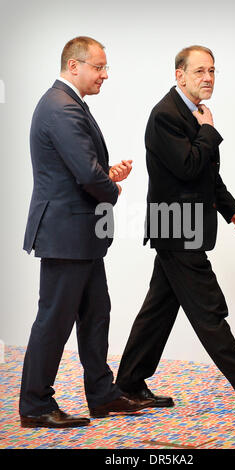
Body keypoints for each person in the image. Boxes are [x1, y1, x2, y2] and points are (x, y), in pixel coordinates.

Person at [116, 45, 235, 414]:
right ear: (179, 75)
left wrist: (231, 209)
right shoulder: (166, 115)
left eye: (212, 70)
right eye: (199, 71)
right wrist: (208, 129)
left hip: (183, 228)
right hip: (177, 229)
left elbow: (207, 174)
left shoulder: (195, 113)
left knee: (158, 311)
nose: (208, 77)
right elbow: (187, 166)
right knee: (208, 310)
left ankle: (129, 384)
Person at [19, 36, 150, 428]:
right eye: (98, 67)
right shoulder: (61, 107)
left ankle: (102, 395)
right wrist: (112, 186)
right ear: (74, 66)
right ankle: (36, 405)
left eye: (105, 67)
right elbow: (86, 174)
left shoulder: (67, 104)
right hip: (65, 234)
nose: (104, 74)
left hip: (80, 234)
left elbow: (80, 170)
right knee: (54, 321)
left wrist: (105, 177)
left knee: (96, 315)